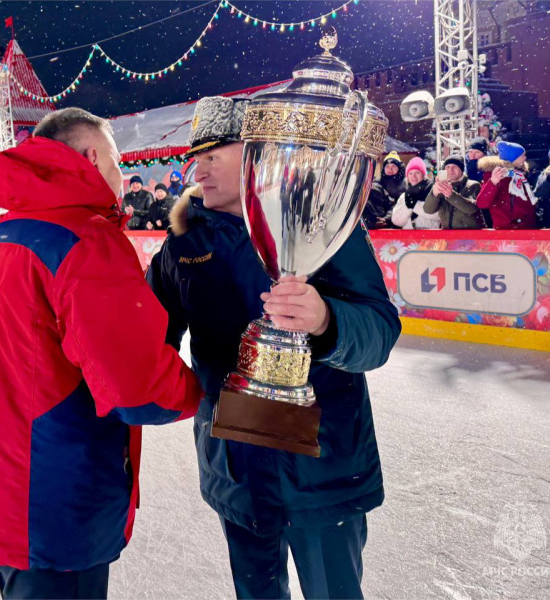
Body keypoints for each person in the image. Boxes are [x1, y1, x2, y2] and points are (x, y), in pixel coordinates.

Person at [147, 96, 401, 600]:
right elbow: (147, 342)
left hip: (322, 465)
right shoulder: (182, 249)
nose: (200, 167)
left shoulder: (326, 226)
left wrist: (327, 321)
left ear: (257, 155)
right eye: (197, 155)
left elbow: (378, 330)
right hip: (236, 468)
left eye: (215, 153)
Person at [0, 107, 203, 600]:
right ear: (91, 156)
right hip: (51, 503)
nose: (120, 171)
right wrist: (210, 393)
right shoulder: (85, 239)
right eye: (116, 158)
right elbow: (138, 385)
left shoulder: (2, 238)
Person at [476, 141, 537, 230]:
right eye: (523, 155)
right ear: (514, 158)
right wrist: (493, 182)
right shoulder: (493, 175)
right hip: (506, 230)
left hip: (527, 228)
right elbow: (482, 203)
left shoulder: (522, 174)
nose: (525, 158)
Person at [424, 155, 484, 229]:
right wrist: (434, 194)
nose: (450, 170)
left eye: (454, 166)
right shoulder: (440, 186)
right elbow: (428, 210)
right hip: (449, 236)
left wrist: (451, 195)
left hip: (471, 235)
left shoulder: (473, 185)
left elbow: (472, 208)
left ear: (461, 170)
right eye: (447, 167)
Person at [391, 157, 438, 229]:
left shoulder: (434, 192)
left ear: (423, 175)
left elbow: (439, 216)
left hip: (431, 237)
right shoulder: (404, 196)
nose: (414, 176)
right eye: (410, 173)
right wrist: (408, 206)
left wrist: (415, 205)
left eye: (417, 172)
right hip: (409, 236)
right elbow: (396, 221)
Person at [363, 151, 405, 229]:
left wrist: (387, 219)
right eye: (387, 166)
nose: (390, 169)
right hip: (380, 219)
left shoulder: (404, 185)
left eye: (393, 166)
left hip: (397, 219)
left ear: (399, 168)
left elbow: (400, 205)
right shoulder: (377, 184)